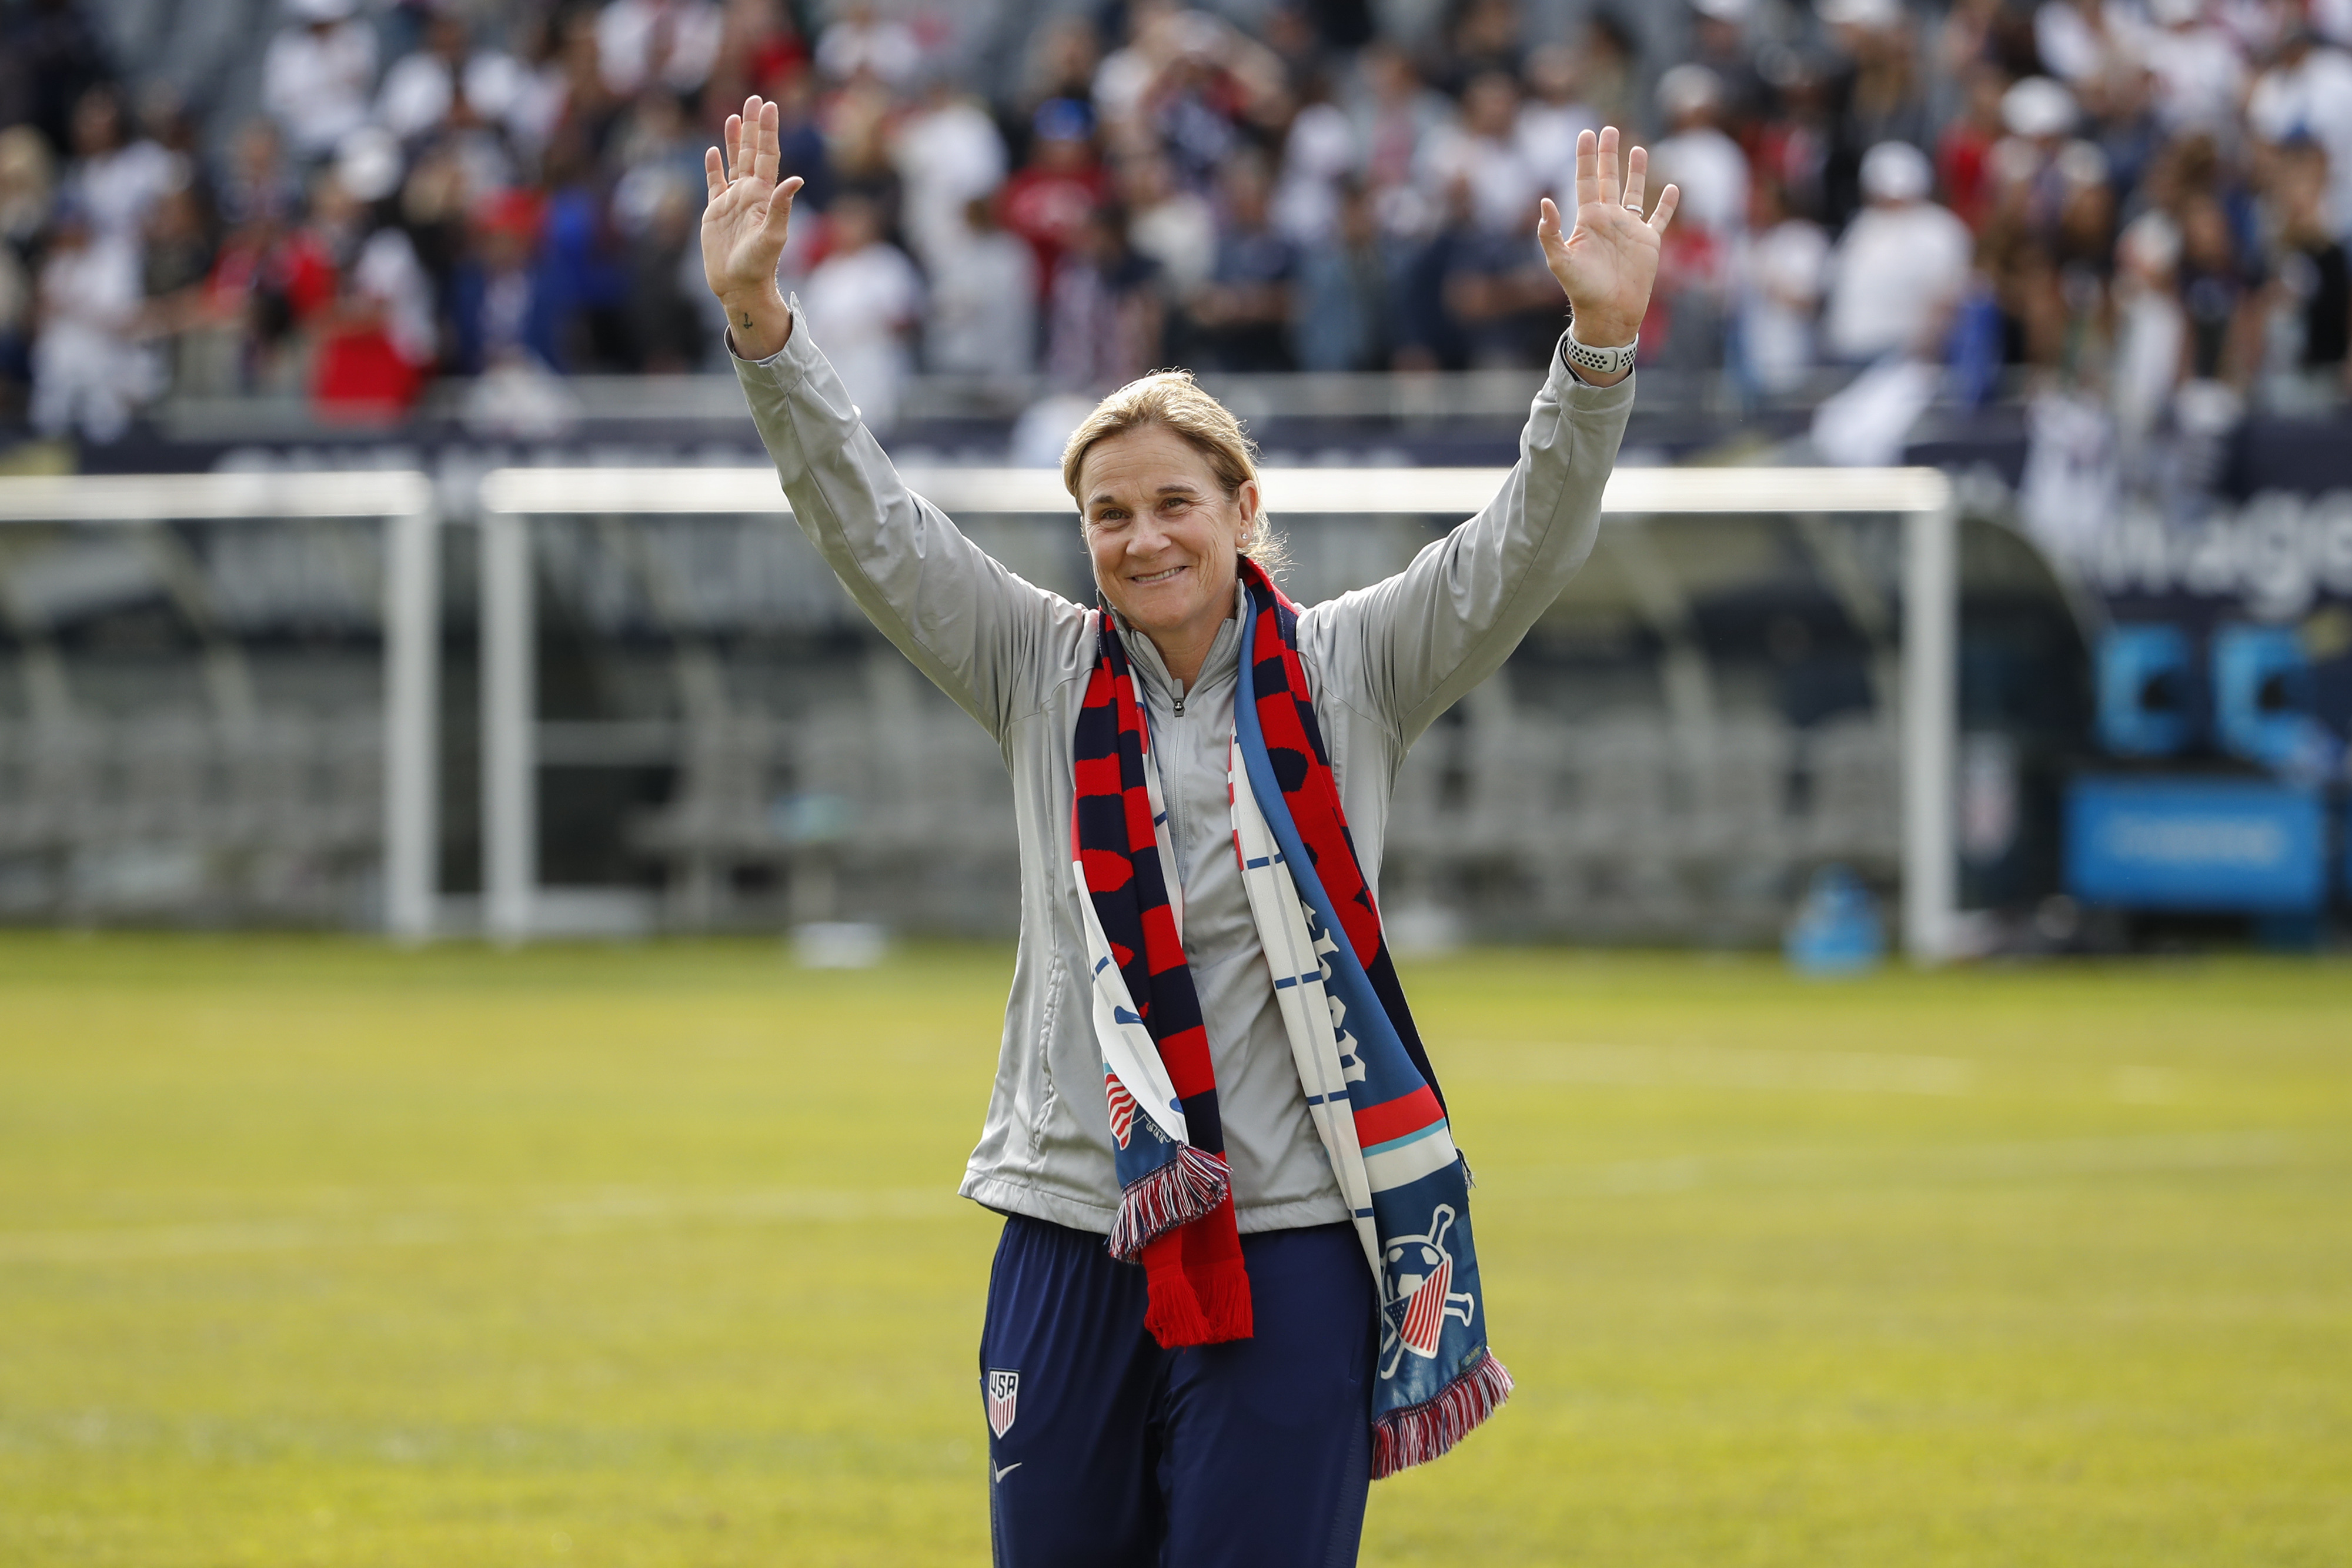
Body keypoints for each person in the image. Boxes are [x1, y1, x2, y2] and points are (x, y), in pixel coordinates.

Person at [699, 94, 1676, 1566]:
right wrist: (765, 324)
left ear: (1241, 511)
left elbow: (1522, 543)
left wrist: (1594, 354)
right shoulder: (1039, 665)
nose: (1141, 536)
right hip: (1065, 1223)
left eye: (1171, 503)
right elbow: (873, 524)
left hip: (1286, 1239)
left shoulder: (1353, 666)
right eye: (1107, 514)